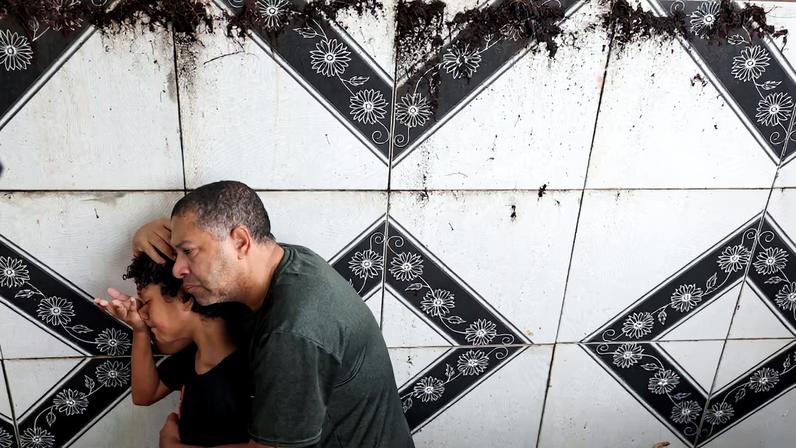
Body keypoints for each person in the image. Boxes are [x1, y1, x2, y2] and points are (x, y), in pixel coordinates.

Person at [125, 180, 414, 448]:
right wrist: (143, 237)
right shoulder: (288, 263)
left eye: (188, 251)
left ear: (240, 242)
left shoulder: (292, 331)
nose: (177, 269)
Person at [95, 252, 250, 447]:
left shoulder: (249, 367)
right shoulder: (192, 356)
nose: (142, 313)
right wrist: (140, 330)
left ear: (184, 296)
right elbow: (144, 395)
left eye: (147, 302)